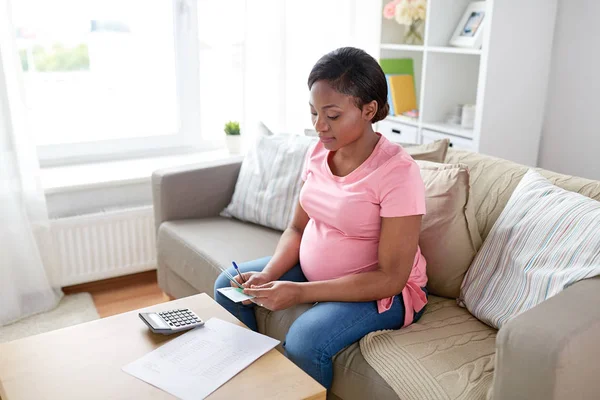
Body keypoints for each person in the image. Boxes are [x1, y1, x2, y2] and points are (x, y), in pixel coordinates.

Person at [214, 47, 428, 389]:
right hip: (317, 271)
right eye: (314, 112)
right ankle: (254, 386)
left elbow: (390, 278)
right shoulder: (318, 152)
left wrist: (299, 293)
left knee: (306, 337)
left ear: (368, 109)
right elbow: (297, 227)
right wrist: (268, 275)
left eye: (332, 115)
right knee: (230, 286)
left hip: (385, 293)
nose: (318, 126)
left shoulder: (398, 173)